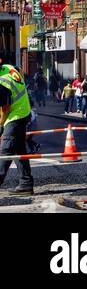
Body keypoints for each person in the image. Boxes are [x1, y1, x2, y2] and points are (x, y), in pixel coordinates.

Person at [0, 60, 34, 195]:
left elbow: (5, 107)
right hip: (23, 111)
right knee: (19, 150)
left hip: (15, 115)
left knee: (6, 149)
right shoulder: (8, 68)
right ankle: (26, 183)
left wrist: (1, 124)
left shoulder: (1, 82)